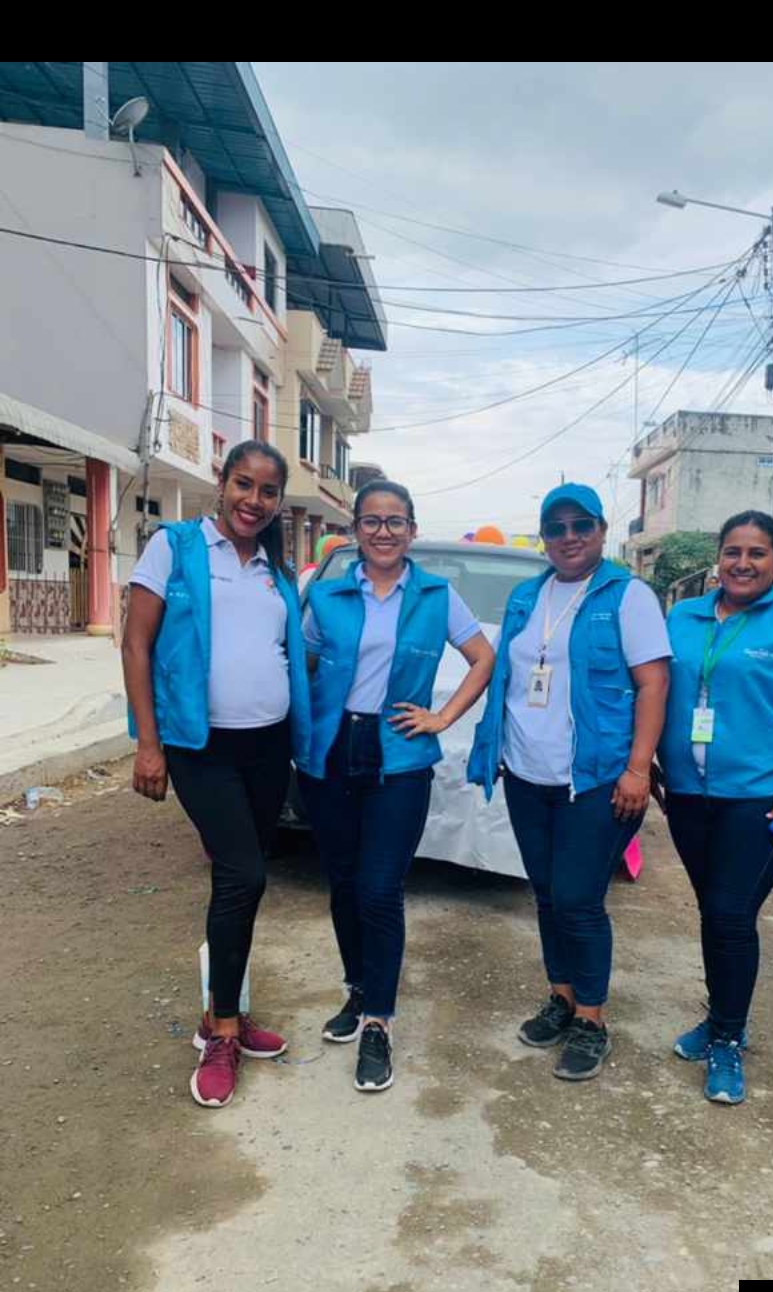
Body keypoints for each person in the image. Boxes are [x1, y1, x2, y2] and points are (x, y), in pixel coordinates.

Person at [122, 440, 312, 1109]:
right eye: (243, 484)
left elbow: (282, 653)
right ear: (222, 483)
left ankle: (221, 1011)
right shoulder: (174, 547)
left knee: (239, 885)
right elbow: (136, 643)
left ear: (277, 502)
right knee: (244, 875)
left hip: (268, 748)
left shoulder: (274, 571)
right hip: (200, 748)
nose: (253, 500)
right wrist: (148, 744)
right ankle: (223, 1032)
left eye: (267, 491)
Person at [298, 479, 494, 1094]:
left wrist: (442, 717)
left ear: (412, 530)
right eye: (372, 521)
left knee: (380, 890)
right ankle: (358, 990)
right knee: (343, 883)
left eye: (395, 522)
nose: (383, 532)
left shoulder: (437, 596)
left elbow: (483, 658)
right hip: (331, 753)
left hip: (399, 758)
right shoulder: (326, 595)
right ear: (355, 529)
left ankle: (379, 1021)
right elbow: (303, 666)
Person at [469, 484, 670, 1081]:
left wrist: (638, 768)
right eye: (555, 528)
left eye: (581, 524)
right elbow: (506, 676)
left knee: (580, 899)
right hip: (526, 774)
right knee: (548, 893)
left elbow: (653, 684)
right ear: (544, 538)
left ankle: (591, 1020)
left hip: (596, 780)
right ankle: (561, 997)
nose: (569, 537)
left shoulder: (628, 596)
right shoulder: (527, 596)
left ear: (602, 530)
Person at [658, 510, 773, 1107]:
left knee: (730, 913)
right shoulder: (682, 617)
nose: (742, 563)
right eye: (732, 551)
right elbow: (655, 688)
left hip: (762, 799)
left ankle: (728, 1038)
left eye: (756, 553)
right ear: (719, 558)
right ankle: (720, 1019)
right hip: (689, 796)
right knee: (715, 913)